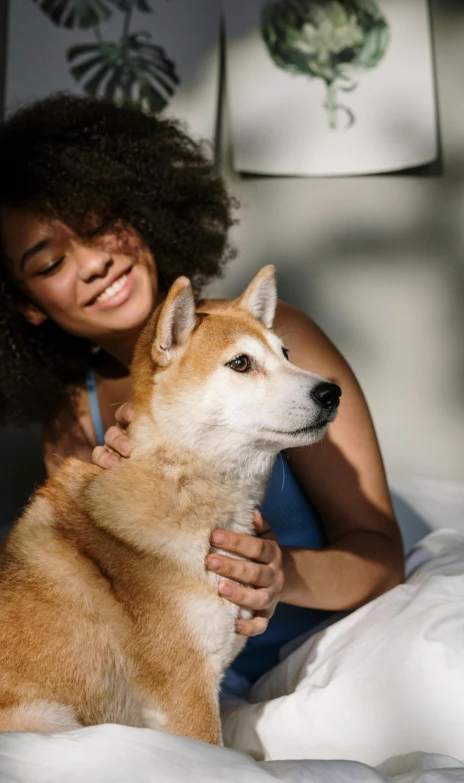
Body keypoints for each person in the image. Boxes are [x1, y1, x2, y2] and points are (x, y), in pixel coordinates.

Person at [0, 93, 404, 695]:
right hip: (197, 684)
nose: (94, 263)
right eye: (52, 261)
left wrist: (280, 574)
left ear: (143, 214)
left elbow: (381, 557)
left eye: (100, 224)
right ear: (28, 305)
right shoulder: (72, 416)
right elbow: (114, 613)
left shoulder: (276, 340)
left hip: (330, 658)